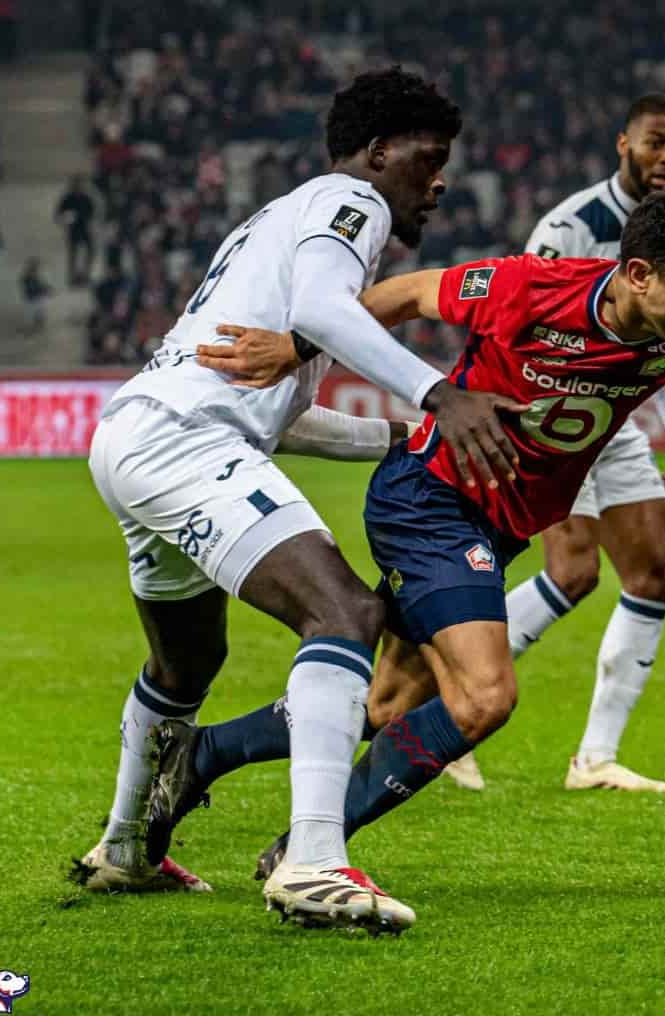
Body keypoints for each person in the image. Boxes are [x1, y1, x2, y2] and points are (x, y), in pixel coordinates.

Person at [150, 188, 665, 883]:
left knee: (386, 706)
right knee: (484, 697)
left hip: (499, 524)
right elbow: (408, 294)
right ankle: (312, 852)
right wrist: (296, 347)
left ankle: (203, 754)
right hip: (431, 500)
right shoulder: (531, 289)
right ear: (639, 275)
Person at [73, 69, 521, 936]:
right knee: (346, 613)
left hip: (138, 436)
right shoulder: (353, 202)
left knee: (185, 665)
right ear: (379, 152)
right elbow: (321, 310)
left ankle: (125, 850)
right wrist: (441, 396)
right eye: (428, 158)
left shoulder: (284, 219)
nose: (439, 181)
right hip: (185, 442)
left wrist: (400, 436)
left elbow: (275, 412)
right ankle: (314, 860)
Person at [436, 92, 665, 794]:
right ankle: (452, 708)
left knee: (653, 576)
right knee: (574, 571)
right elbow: (514, 315)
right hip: (549, 417)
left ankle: (595, 759)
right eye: (656, 142)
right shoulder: (571, 227)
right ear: (624, 144)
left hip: (614, 420)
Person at [54, 177, 96, 287]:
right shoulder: (67, 199)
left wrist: (88, 219)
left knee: (90, 251)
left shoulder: (86, 198)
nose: (78, 188)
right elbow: (58, 215)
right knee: (73, 254)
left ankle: (85, 275)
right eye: (76, 186)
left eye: (80, 186)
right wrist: (66, 218)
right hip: (73, 230)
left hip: (85, 228)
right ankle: (73, 277)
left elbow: (92, 212)